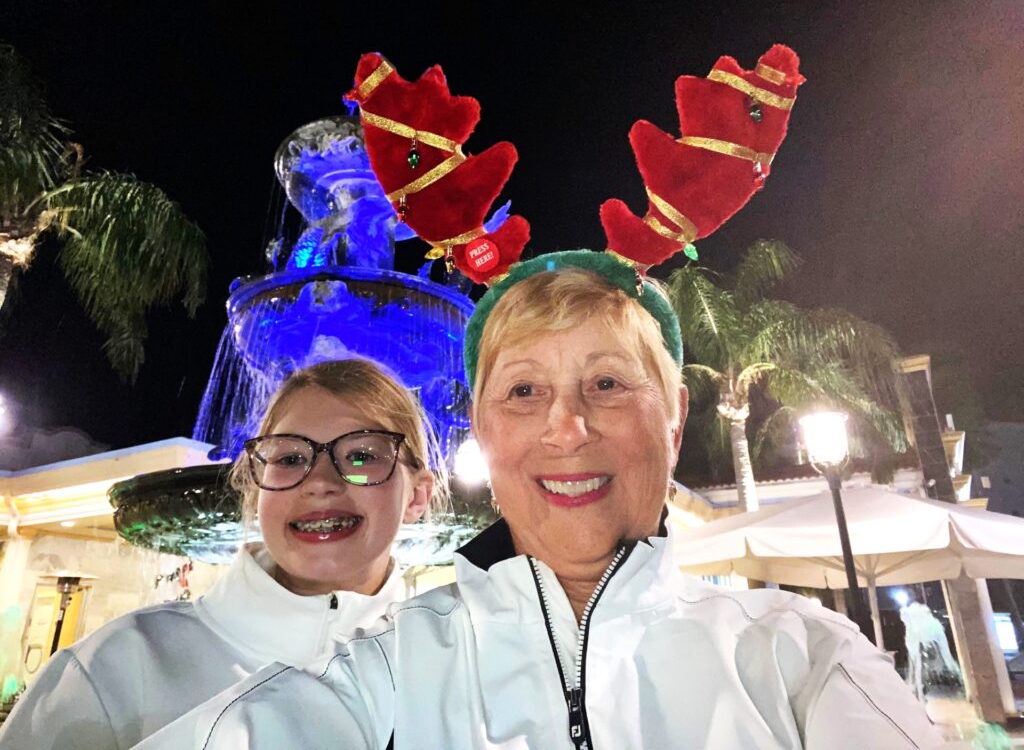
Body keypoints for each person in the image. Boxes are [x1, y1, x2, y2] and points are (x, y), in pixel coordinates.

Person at [135, 254, 950, 749]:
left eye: (607, 383)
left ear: (674, 422)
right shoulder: (382, 666)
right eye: (523, 390)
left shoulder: (803, 657)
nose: (567, 426)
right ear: (482, 434)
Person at [0, 358, 440, 749]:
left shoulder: (456, 669)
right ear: (255, 482)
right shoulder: (111, 671)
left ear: (418, 497)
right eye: (289, 458)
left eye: (361, 454)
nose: (319, 480)